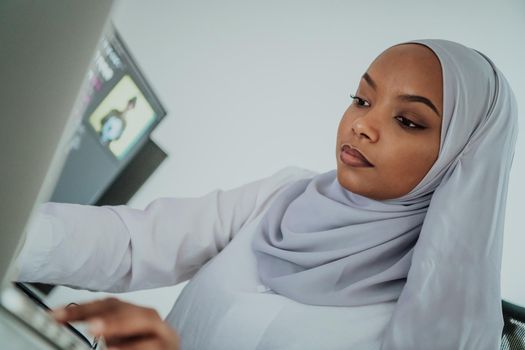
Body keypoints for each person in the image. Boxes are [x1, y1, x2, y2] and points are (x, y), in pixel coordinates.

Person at [16, 39, 518, 350]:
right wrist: (11, 233)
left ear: (461, 161)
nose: (363, 125)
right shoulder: (288, 194)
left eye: (408, 120)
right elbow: (136, 242)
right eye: (361, 99)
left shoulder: (443, 328)